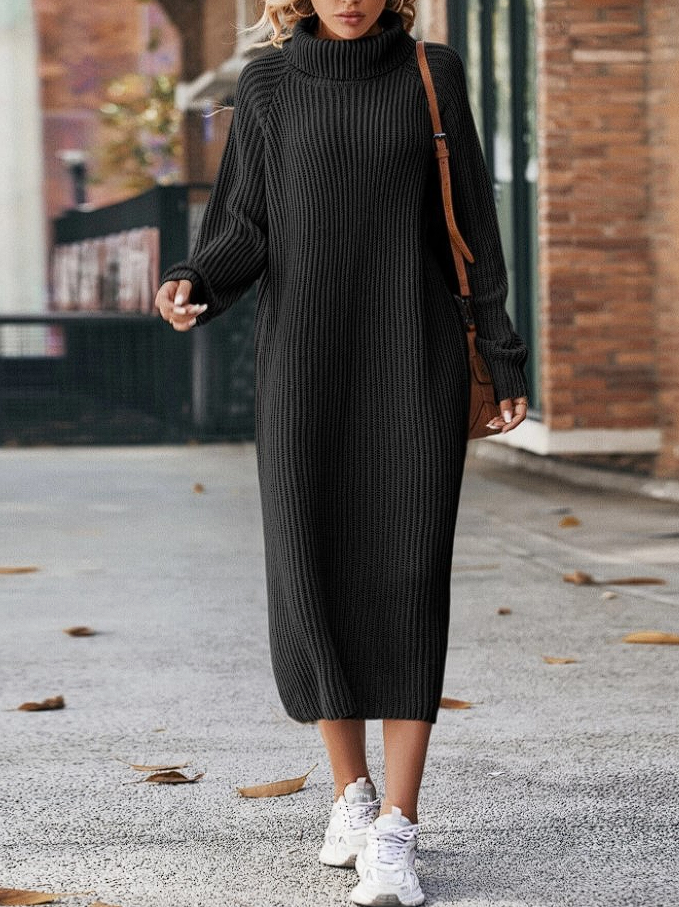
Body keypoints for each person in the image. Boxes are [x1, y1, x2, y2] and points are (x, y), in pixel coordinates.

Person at [155, 0, 529, 903]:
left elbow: (473, 226)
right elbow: (245, 221)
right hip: (304, 365)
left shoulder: (431, 74)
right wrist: (194, 277)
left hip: (414, 357)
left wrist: (502, 351)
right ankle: (350, 796)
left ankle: (398, 823)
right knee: (310, 566)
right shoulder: (269, 84)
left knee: (407, 573)